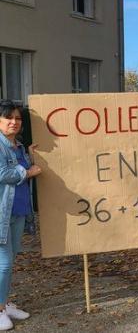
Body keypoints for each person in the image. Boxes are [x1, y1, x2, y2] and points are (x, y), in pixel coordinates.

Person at [0, 100, 42, 330]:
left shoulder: (17, 145)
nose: (14, 122)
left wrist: (30, 157)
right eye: (9, 118)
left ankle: (4, 304)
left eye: (17, 118)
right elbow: (3, 173)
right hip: (1, 213)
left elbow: (22, 169)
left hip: (18, 211)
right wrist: (28, 171)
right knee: (4, 263)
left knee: (10, 258)